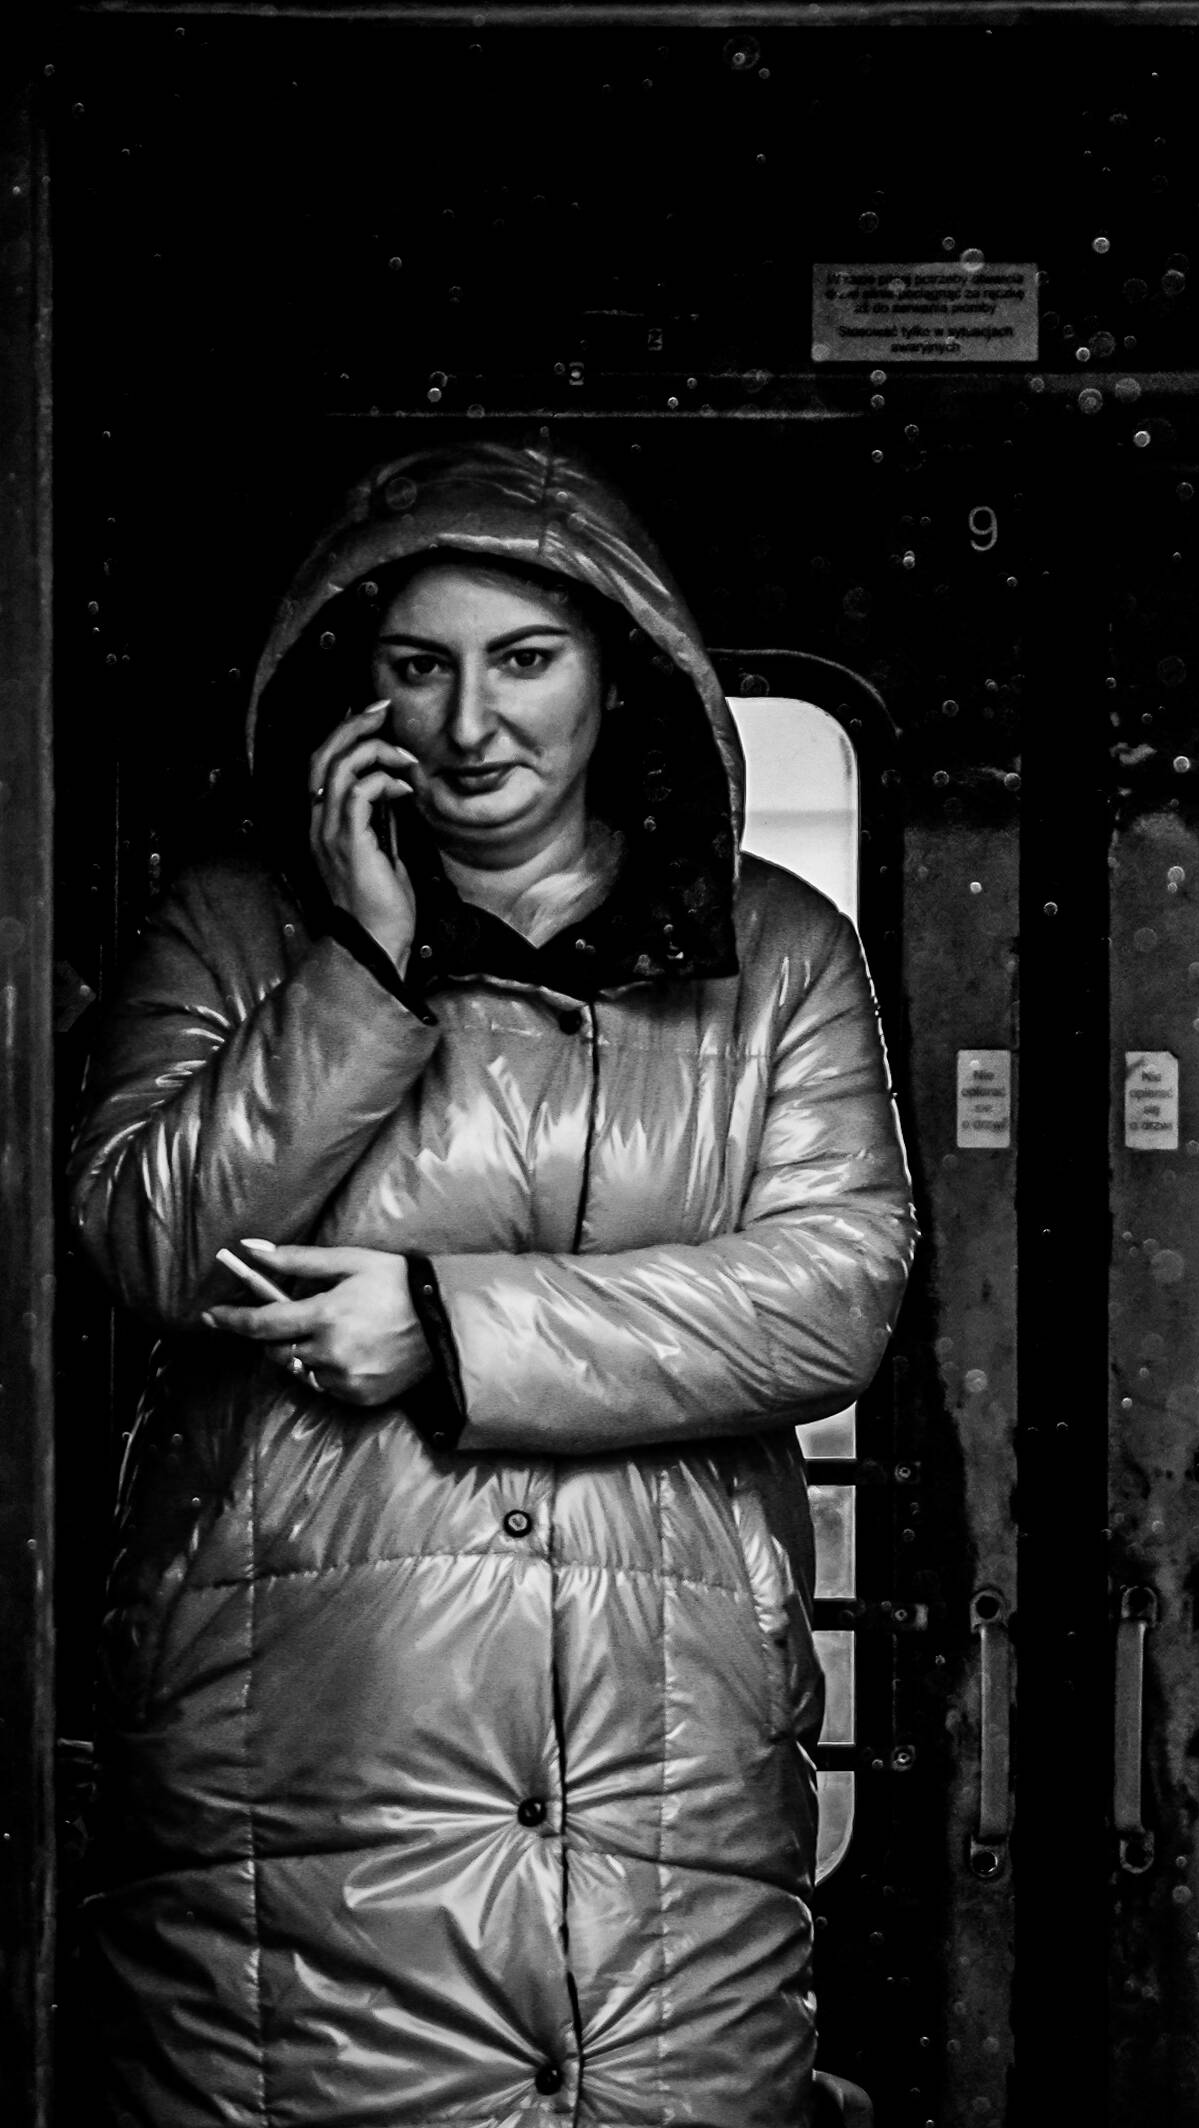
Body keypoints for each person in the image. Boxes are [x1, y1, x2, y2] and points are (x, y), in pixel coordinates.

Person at [66, 440, 914, 2127]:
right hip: (305, 1739)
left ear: (619, 683)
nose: (471, 725)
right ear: (349, 693)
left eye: (524, 662)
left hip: (662, 1748)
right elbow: (148, 1240)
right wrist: (362, 968)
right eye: (418, 668)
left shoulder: (781, 949)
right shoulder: (238, 932)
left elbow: (836, 1288)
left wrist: (447, 1324)